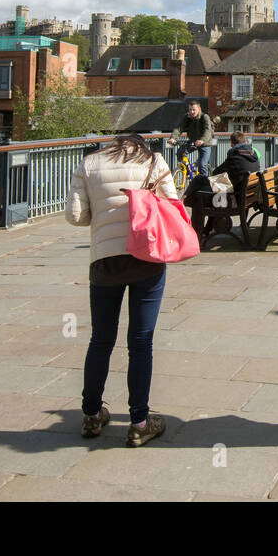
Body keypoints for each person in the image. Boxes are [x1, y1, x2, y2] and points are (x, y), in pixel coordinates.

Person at [65, 133, 177, 447]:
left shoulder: (88, 163)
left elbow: (75, 217)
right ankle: (139, 422)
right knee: (140, 342)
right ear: (140, 145)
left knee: (100, 340)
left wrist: (102, 216)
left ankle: (90, 415)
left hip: (105, 261)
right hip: (146, 259)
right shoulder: (154, 161)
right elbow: (171, 205)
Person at [176, 100, 214, 177]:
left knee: (202, 164)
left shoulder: (205, 117)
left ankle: (204, 184)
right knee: (180, 152)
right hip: (193, 142)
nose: (192, 112)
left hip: (205, 144)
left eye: (194, 110)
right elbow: (179, 129)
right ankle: (187, 170)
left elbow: (207, 130)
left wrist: (202, 140)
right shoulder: (187, 117)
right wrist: (173, 138)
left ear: (199, 109)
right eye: (190, 110)